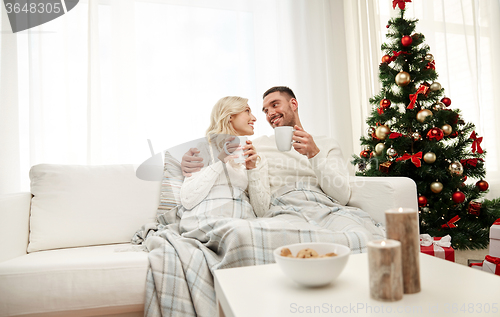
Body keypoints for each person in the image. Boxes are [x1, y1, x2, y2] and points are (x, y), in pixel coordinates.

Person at [181, 86, 384, 245]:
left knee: (361, 237)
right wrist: (194, 159)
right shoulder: (256, 146)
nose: (269, 113)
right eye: (265, 110)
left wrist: (314, 154)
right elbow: (224, 147)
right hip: (282, 208)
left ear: (293, 103)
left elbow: (342, 196)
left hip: (323, 205)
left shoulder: (325, 144)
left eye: (275, 105)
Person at [178, 96, 270, 242]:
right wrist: (221, 160)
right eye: (247, 111)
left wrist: (252, 169)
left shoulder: (256, 158)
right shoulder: (203, 148)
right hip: (206, 221)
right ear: (230, 116)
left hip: (242, 224)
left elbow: (262, 212)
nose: (254, 118)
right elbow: (188, 199)